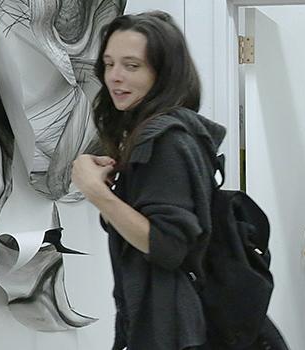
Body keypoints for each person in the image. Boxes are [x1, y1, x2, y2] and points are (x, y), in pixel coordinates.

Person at [71, 11, 284, 349]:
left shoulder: (166, 141)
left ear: (163, 72)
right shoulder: (170, 134)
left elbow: (169, 246)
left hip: (177, 331)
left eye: (131, 65)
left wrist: (96, 192)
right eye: (109, 64)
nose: (115, 77)